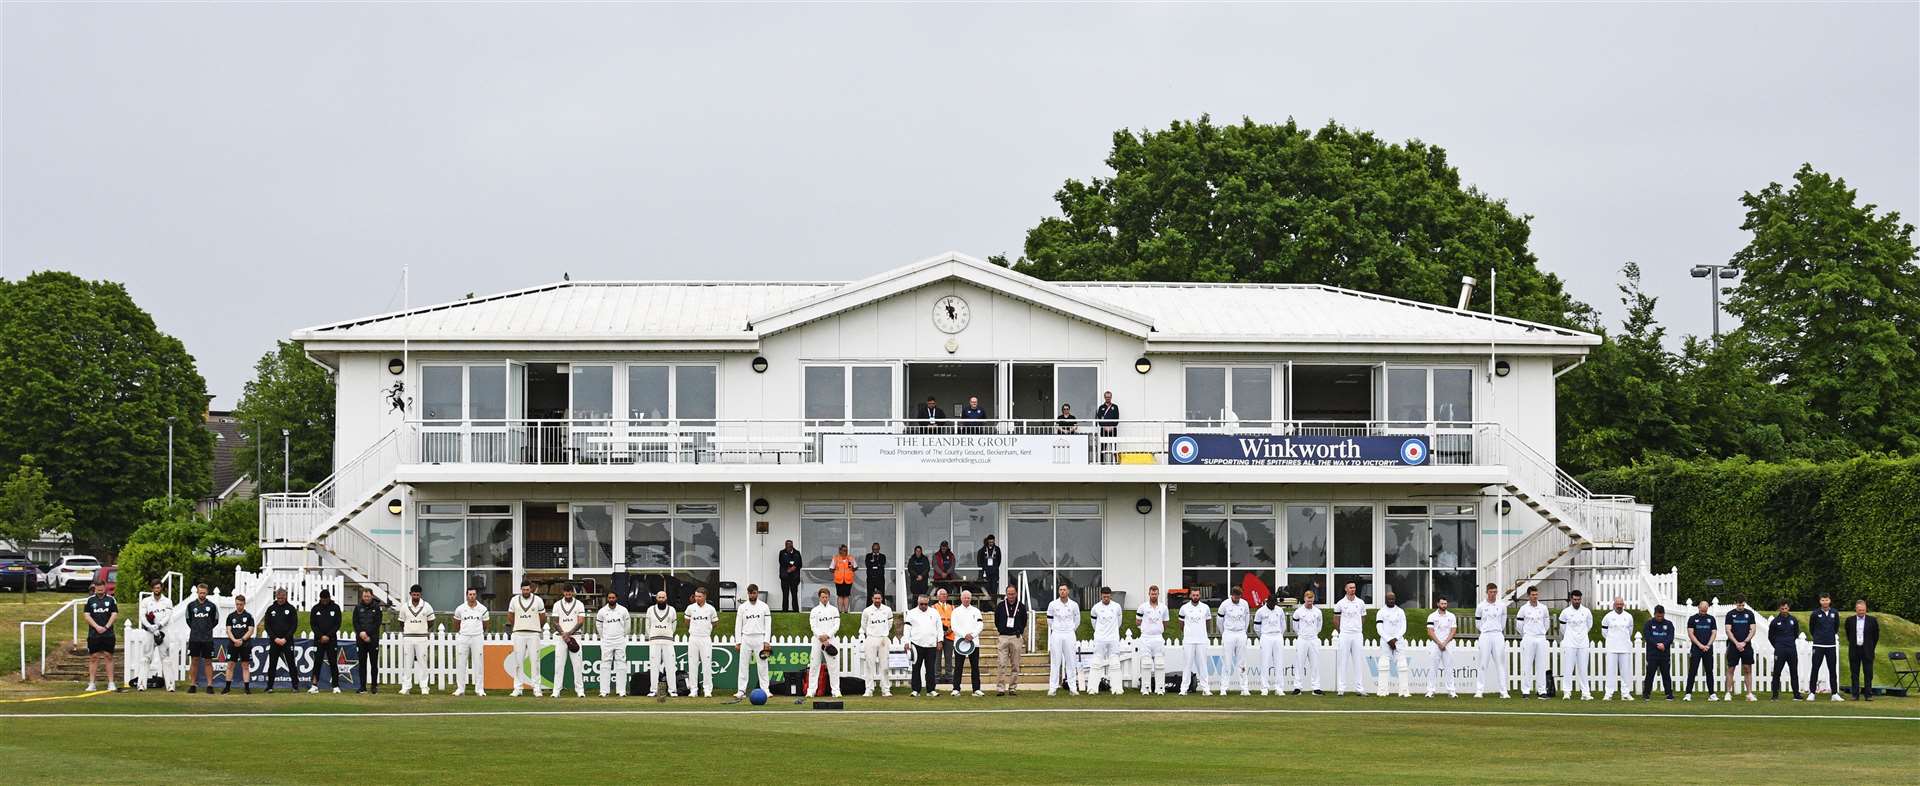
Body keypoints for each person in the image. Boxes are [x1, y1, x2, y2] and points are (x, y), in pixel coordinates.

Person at [508, 582, 548, 697]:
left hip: (533, 634)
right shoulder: (514, 600)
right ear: (521, 589)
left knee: (535, 661)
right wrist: (517, 626)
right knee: (518, 662)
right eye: (524, 589)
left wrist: (536, 627)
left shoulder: (538, 600)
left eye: (528, 589)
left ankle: (536, 688)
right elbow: (510, 615)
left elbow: (543, 617)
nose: (526, 591)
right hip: (519, 634)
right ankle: (518, 688)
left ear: (531, 589)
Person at [732, 584, 772, 700]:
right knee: (743, 665)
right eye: (750, 593)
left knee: (763, 665)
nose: (752, 595)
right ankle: (741, 690)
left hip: (760, 638)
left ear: (757, 593)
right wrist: (738, 641)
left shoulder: (764, 607)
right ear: (748, 593)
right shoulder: (742, 607)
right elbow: (738, 625)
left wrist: (766, 641)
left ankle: (766, 690)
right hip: (746, 638)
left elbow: (768, 625)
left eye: (754, 593)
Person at [803, 587, 842, 701]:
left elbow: (836, 625)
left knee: (833, 667)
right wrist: (821, 637)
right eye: (822, 597)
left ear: (829, 597)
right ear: (819, 597)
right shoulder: (814, 610)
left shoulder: (834, 610)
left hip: (831, 640)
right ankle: (811, 691)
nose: (824, 599)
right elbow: (813, 626)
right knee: (814, 665)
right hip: (817, 640)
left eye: (826, 597)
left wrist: (828, 636)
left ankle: (836, 691)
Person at [396, 584, 435, 695]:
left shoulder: (427, 606)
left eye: (417, 595)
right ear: (410, 594)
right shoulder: (404, 606)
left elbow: (431, 621)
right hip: (408, 637)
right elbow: (401, 622)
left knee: (422, 662)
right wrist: (409, 630)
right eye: (414, 594)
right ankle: (406, 687)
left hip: (422, 638)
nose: (416, 597)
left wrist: (422, 629)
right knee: (407, 662)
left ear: (420, 594)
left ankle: (424, 687)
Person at [134, 580, 173, 691]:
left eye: (159, 588)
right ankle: (141, 684)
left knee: (165, 658)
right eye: (155, 588)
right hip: (149, 632)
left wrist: (159, 626)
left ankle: (170, 685)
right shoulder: (146, 601)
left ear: (162, 588)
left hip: (163, 631)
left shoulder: (167, 601)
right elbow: (142, 616)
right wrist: (150, 627)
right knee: (145, 658)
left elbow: (167, 616)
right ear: (152, 589)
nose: (157, 590)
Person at [551, 585, 589, 698]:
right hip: (561, 637)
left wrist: (569, 633)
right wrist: (563, 634)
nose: (568, 594)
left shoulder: (579, 604)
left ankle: (580, 690)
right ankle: (556, 690)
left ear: (573, 592)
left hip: (575, 637)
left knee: (577, 665)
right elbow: (555, 621)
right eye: (566, 592)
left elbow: (581, 621)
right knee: (559, 665)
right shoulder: (557, 604)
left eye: (570, 592)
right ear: (563, 592)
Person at [1473, 583, 1510, 699]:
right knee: (1483, 663)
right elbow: (1478, 623)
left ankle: (1504, 692)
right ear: (1487, 592)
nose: (1493, 594)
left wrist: (1498, 630)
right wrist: (1484, 629)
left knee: (1500, 663)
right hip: (1485, 635)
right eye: (1491, 592)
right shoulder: (1480, 606)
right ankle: (1479, 691)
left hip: (1498, 635)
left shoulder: (1502, 605)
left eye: (1495, 592)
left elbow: (1503, 621)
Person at [1557, 590, 1595, 700]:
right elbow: (1562, 628)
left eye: (1578, 599)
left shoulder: (1586, 611)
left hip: (1583, 643)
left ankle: (1585, 693)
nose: (1577, 601)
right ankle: (1567, 692)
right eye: (1575, 599)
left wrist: (1581, 635)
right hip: (1570, 643)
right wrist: (1570, 636)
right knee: (1568, 668)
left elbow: (1589, 625)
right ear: (1571, 599)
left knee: (1583, 668)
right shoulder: (1565, 612)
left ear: (1581, 599)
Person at [183, 584, 221, 694]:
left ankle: (209, 685)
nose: (202, 595)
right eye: (200, 593)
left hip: (207, 638)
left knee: (208, 661)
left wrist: (207, 629)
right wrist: (196, 628)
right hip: (194, 638)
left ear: (207, 593)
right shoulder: (191, 605)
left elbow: (216, 620)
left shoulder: (212, 606)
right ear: (197, 592)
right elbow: (188, 619)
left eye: (204, 593)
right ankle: (193, 685)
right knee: (194, 661)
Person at [1515, 586, 1551, 699]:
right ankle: (1526, 691)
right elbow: (1519, 626)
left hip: (1540, 638)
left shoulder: (1544, 608)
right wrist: (1526, 634)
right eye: (1533, 595)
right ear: (1528, 596)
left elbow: (1547, 623)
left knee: (1541, 665)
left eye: (1536, 594)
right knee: (1527, 665)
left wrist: (1542, 632)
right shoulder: (1523, 609)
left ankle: (1541, 691)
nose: (1535, 597)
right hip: (1528, 638)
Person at [262, 588, 301, 693]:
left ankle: (295, 686)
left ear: (286, 596)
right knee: (272, 664)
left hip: (287, 641)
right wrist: (275, 638)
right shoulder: (271, 609)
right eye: (278, 598)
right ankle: (269, 686)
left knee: (291, 663)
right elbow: (267, 625)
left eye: (282, 598)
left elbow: (294, 625)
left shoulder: (291, 609)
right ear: (276, 597)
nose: (280, 600)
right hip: (275, 642)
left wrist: (285, 638)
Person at [1332, 583, 1368, 696]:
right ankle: (1341, 688)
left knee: (1358, 661)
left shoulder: (1360, 602)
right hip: (1345, 634)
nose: (1353, 589)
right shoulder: (1340, 603)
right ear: (1346, 589)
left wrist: (1357, 628)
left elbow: (1363, 617)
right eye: (1350, 588)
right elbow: (1335, 620)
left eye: (1354, 587)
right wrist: (1342, 631)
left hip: (1357, 634)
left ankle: (1360, 688)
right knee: (1343, 661)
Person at [451, 588, 489, 696]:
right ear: (467, 595)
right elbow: (456, 623)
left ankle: (479, 689)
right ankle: (460, 689)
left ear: (476, 595)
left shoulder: (482, 609)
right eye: (470, 594)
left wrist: (478, 632)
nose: (472, 596)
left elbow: (485, 624)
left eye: (473, 594)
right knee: (461, 663)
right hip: (464, 637)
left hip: (477, 637)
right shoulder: (460, 609)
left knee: (478, 663)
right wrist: (462, 632)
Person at [1046, 584, 1081, 696]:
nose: (1062, 591)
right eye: (1060, 590)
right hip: (1056, 633)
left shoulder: (1074, 605)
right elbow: (1049, 620)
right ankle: (1053, 688)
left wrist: (1071, 629)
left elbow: (1077, 619)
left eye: (1064, 590)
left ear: (1068, 591)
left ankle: (1073, 688)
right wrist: (1056, 629)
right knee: (1055, 661)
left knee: (1071, 661)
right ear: (1058, 591)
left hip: (1069, 634)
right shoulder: (1052, 604)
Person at [83, 580, 118, 692]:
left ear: (105, 587)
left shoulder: (111, 599)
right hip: (94, 634)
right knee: (94, 657)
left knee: (108, 656)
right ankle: (92, 683)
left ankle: (111, 683)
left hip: (108, 634)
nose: (100, 589)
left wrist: (106, 627)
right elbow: (87, 615)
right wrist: (97, 627)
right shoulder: (90, 600)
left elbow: (114, 614)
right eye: (97, 587)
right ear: (95, 588)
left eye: (101, 586)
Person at [859, 590, 896, 697]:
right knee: (869, 665)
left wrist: (883, 633)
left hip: (883, 639)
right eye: (875, 598)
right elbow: (864, 625)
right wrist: (872, 634)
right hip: (871, 638)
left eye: (879, 598)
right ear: (872, 599)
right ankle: (869, 689)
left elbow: (890, 623)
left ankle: (885, 689)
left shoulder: (887, 610)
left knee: (884, 666)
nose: (877, 600)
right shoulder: (867, 611)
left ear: (882, 599)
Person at [1089, 587, 1125, 695]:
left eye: (1108, 597)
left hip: (1113, 638)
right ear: (1101, 596)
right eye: (1104, 596)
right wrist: (1101, 633)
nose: (1106, 598)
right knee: (1096, 662)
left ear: (1111, 596)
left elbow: (1119, 622)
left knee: (1115, 663)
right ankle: (1092, 688)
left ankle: (1117, 688)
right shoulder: (1095, 608)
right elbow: (1094, 623)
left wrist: (1112, 632)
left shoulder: (1117, 607)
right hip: (1100, 639)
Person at [645, 590, 681, 699]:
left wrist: (669, 634)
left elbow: (674, 625)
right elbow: (648, 625)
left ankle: (672, 690)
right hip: (654, 641)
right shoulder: (650, 610)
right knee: (654, 666)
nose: (661, 599)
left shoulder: (672, 610)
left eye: (663, 597)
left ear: (666, 598)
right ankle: (653, 690)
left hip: (668, 641)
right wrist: (651, 635)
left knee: (670, 666)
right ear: (656, 598)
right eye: (659, 597)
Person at [1134, 585, 1170, 695]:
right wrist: (1146, 630)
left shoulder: (1163, 607)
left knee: (1159, 663)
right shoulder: (1143, 607)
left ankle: (1160, 688)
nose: (1154, 595)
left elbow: (1166, 622)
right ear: (1149, 594)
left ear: (1158, 594)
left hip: (1158, 638)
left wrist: (1158, 630)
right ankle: (1145, 688)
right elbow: (1137, 622)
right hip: (1145, 638)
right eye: (1152, 593)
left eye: (1155, 593)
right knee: (1146, 663)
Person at [904, 594, 942, 697]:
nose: (924, 606)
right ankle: (916, 690)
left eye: (926, 604)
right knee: (916, 668)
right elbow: (907, 628)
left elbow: (939, 627)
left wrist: (940, 641)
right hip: (916, 644)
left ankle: (931, 690)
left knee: (930, 669)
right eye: (921, 604)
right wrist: (906, 641)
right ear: (918, 603)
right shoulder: (911, 613)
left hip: (931, 645)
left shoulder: (934, 612)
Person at [993, 584, 1028, 696]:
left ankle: (1012, 687)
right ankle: (1000, 688)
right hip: (1003, 637)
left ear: (1016, 594)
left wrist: (1019, 630)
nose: (1011, 596)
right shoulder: (1001, 606)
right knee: (1002, 663)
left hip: (1016, 637)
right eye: (1009, 594)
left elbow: (1024, 621)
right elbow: (996, 620)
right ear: (1006, 594)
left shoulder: (1021, 606)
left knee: (1015, 665)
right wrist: (1002, 629)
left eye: (1013, 594)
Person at [1218, 587, 1253, 695]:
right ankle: (1224, 687)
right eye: (1235, 596)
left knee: (1242, 662)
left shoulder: (1244, 604)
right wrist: (1224, 633)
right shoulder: (1224, 604)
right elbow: (1220, 621)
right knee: (1227, 661)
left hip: (1241, 633)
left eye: (1239, 596)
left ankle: (1244, 688)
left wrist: (1243, 631)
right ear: (1231, 595)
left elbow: (1247, 619)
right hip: (1229, 633)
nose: (1237, 598)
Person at [1600, 596, 1636, 701]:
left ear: (1623, 604)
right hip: (1612, 647)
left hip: (1625, 647)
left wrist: (1623, 640)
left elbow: (1630, 631)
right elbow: (1604, 632)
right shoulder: (1608, 617)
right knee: (1610, 671)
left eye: (1621, 604)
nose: (1619, 606)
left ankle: (1625, 693)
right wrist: (1612, 639)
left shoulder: (1629, 616)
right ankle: (1608, 693)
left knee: (1625, 672)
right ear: (1614, 605)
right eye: (1617, 604)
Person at [684, 588, 719, 697]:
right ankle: (693, 690)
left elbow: (715, 622)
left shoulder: (711, 609)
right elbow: (686, 622)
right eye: (696, 596)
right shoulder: (690, 608)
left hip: (705, 638)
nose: (697, 598)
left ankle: (707, 690)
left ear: (705, 596)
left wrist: (707, 628)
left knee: (707, 664)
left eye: (699, 596)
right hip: (693, 638)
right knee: (692, 664)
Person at [1723, 594, 1758, 702]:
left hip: (1746, 645)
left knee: (1747, 669)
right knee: (1730, 669)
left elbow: (1753, 629)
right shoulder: (1730, 614)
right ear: (1735, 603)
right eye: (1739, 605)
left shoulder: (1749, 614)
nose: (1741, 607)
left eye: (1742, 605)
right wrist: (1736, 643)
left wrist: (1745, 642)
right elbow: (1728, 630)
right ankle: (1728, 693)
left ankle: (1749, 693)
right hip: (1733, 645)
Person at [1375, 591, 1410, 697]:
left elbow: (1403, 627)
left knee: (1402, 665)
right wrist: (1389, 639)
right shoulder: (1381, 612)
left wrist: (1395, 639)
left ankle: (1404, 691)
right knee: (1384, 665)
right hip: (1385, 641)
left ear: (1395, 599)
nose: (1391, 600)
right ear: (1386, 599)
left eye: (1393, 599)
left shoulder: (1400, 611)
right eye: (1389, 599)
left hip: (1398, 640)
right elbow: (1379, 628)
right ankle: (1382, 691)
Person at [1177, 590, 1213, 695]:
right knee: (1187, 665)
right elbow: (1181, 624)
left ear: (1200, 596)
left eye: (1197, 595)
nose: (1195, 597)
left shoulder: (1205, 608)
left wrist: (1203, 633)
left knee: (1202, 665)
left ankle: (1206, 689)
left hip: (1202, 640)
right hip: (1188, 640)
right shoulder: (1184, 608)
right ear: (1190, 596)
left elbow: (1208, 622)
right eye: (1193, 595)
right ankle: (1183, 689)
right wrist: (1187, 633)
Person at [597, 590, 631, 697]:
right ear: (607, 599)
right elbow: (599, 626)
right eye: (609, 598)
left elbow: (627, 625)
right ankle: (604, 691)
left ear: (616, 598)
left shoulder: (623, 610)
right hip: (607, 641)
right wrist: (605, 636)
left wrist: (622, 635)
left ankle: (621, 691)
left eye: (613, 598)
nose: (611, 599)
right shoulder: (602, 611)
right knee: (605, 664)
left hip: (620, 640)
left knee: (621, 664)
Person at [950, 589, 984, 696]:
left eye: (968, 597)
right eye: (964, 597)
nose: (966, 599)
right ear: (961, 598)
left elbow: (980, 625)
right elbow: (954, 626)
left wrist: (972, 635)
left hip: (974, 643)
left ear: (971, 598)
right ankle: (956, 689)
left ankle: (976, 689)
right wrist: (964, 635)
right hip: (960, 642)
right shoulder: (955, 611)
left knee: (975, 666)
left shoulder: (976, 611)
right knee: (958, 666)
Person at [309, 588, 343, 693]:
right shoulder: (315, 608)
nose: (324, 601)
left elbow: (337, 624)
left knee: (333, 662)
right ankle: (314, 685)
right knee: (317, 662)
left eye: (326, 599)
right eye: (322, 599)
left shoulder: (335, 608)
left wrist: (328, 636)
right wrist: (321, 636)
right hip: (319, 640)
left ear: (329, 598)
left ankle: (335, 686)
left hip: (331, 640)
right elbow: (313, 624)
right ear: (320, 598)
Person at [1767, 600, 1803, 701]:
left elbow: (1796, 634)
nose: (1784, 610)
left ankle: (1796, 695)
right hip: (1780, 650)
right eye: (1782, 609)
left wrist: (1789, 642)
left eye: (1786, 608)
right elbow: (1771, 637)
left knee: (1794, 672)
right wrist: (1778, 645)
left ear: (1789, 608)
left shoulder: (1793, 620)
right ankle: (1775, 695)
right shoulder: (1775, 622)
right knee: (1777, 672)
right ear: (1779, 608)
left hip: (1791, 649)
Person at [1808, 592, 1841, 700]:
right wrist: (1818, 637)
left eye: (1826, 600)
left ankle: (1834, 693)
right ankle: (1812, 693)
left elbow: (1836, 628)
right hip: (1818, 645)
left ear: (1830, 601)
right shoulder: (1815, 613)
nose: (1825, 602)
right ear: (1820, 601)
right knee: (1815, 669)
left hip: (1831, 645)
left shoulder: (1834, 613)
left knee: (1832, 670)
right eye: (1823, 600)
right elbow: (1811, 628)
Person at [1290, 590, 1324, 695]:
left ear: (1313, 599)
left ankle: (1316, 687)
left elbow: (1319, 626)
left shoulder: (1318, 612)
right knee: (1299, 663)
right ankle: (1297, 687)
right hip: (1302, 639)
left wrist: (1313, 634)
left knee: (1315, 664)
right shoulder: (1298, 612)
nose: (1310, 601)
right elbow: (1295, 627)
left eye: (1311, 599)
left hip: (1313, 639)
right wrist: (1301, 634)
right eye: (1308, 599)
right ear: (1304, 598)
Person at [1846, 599, 1880, 701]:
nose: (1861, 612)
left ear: (1866, 609)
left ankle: (1868, 694)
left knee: (1868, 673)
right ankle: (1855, 694)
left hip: (1867, 650)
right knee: (1854, 673)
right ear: (1856, 609)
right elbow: (1848, 634)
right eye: (1860, 610)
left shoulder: (1872, 620)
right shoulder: (1850, 620)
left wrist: (1870, 646)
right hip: (1855, 650)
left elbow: (1876, 636)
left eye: (1863, 610)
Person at [1255, 593, 1289, 695]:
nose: (1273, 605)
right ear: (1267, 601)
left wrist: (1279, 634)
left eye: (1275, 603)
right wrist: (1263, 636)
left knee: (1279, 662)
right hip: (1266, 636)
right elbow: (1257, 628)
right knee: (1265, 662)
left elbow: (1283, 625)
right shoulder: (1260, 611)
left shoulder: (1280, 610)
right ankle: (1264, 688)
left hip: (1277, 636)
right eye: (1271, 603)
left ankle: (1279, 688)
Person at [1683, 599, 1717, 701]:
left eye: (1705, 610)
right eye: (1702, 609)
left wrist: (1708, 645)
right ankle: (1688, 694)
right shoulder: (1693, 619)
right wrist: (1700, 645)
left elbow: (1714, 633)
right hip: (1696, 649)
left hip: (1708, 649)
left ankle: (1712, 694)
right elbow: (1690, 633)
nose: (1704, 611)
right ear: (1698, 607)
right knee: (1692, 671)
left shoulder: (1711, 619)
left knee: (1709, 671)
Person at [1424, 597, 1458, 698]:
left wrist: (1445, 643)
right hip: (1435, 645)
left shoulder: (1451, 616)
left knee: (1449, 668)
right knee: (1433, 668)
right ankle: (1430, 691)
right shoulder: (1431, 616)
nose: (1444, 605)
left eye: (1445, 604)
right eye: (1442, 604)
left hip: (1448, 645)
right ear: (1438, 604)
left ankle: (1451, 691)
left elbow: (1453, 631)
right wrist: (1439, 643)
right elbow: (1430, 632)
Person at [222, 594, 255, 694]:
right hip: (233, 644)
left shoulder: (249, 616)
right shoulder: (231, 616)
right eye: (237, 604)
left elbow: (251, 631)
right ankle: (227, 688)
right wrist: (234, 640)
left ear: (244, 604)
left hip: (245, 644)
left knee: (245, 666)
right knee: (230, 665)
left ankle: (246, 688)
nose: (238, 606)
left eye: (240, 604)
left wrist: (241, 640)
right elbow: (228, 630)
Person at [352, 588, 382, 694]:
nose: (366, 598)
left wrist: (367, 634)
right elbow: (355, 622)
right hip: (361, 639)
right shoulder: (358, 607)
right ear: (362, 596)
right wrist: (361, 633)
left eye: (368, 596)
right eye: (365, 596)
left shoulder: (377, 608)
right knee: (362, 664)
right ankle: (362, 686)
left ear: (372, 596)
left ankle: (374, 686)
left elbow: (377, 623)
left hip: (372, 639)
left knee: (374, 664)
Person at [1642, 605, 1676, 700]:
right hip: (1652, 654)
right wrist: (1657, 644)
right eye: (1658, 616)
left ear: (1664, 614)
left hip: (1664, 654)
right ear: (1654, 614)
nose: (1659, 618)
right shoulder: (1649, 623)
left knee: (1666, 674)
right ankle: (1646, 694)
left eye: (1661, 616)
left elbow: (1670, 637)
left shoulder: (1669, 624)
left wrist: (1664, 645)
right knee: (1650, 675)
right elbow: (1647, 637)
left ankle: (1669, 694)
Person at [932, 588, 956, 677]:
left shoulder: (952, 607)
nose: (944, 596)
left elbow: (955, 620)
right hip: (938, 637)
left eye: (945, 594)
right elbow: (933, 622)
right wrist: (942, 632)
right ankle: (937, 676)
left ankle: (949, 676)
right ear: (938, 596)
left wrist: (950, 629)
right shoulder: (933, 608)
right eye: (942, 594)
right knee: (937, 658)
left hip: (950, 635)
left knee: (949, 657)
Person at [777, 539, 803, 612]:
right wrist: (793, 565)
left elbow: (800, 564)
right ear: (785, 545)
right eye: (787, 545)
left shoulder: (797, 553)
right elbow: (782, 562)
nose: (788, 547)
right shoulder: (782, 553)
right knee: (785, 595)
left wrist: (793, 567)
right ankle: (785, 610)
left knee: (794, 595)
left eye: (790, 545)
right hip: (785, 577)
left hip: (794, 578)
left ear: (792, 545)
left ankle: (795, 610)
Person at [1095, 391, 1120, 463]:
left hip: (1113, 430)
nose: (1108, 398)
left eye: (1109, 397)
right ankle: (1102, 462)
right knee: (1103, 446)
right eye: (1106, 397)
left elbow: (1116, 418)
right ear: (1104, 397)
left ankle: (1115, 462)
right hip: (1104, 430)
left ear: (1111, 397)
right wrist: (1104, 427)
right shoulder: (1101, 407)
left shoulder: (1115, 407)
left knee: (1114, 446)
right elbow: (1099, 419)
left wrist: (1112, 426)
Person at [831, 545, 857, 613]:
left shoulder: (851, 558)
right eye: (844, 550)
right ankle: (839, 611)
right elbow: (831, 568)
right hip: (839, 580)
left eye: (846, 550)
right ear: (840, 551)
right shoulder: (836, 558)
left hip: (848, 580)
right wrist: (837, 572)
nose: (845, 552)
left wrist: (852, 568)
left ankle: (846, 611)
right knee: (840, 595)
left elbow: (855, 567)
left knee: (846, 596)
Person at [975, 535, 1001, 602]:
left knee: (994, 590)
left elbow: (999, 561)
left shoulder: (997, 549)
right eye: (990, 542)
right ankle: (986, 607)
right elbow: (979, 562)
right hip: (986, 574)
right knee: (986, 590)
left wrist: (994, 568)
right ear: (987, 541)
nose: (991, 543)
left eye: (992, 542)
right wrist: (984, 569)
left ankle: (994, 606)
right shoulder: (982, 550)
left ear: (994, 541)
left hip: (994, 574)